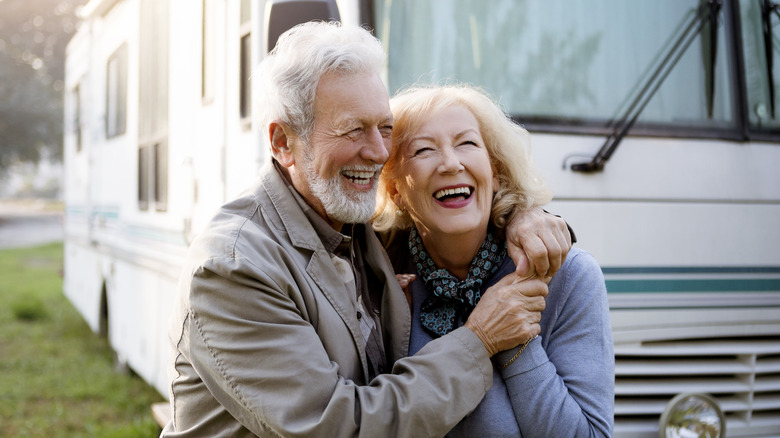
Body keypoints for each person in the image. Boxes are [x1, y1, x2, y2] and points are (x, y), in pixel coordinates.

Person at [161, 22, 572, 437]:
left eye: (385, 128)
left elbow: (454, 206)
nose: (379, 152)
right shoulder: (234, 268)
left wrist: (524, 215)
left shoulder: (354, 226)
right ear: (284, 141)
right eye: (353, 129)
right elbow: (339, 428)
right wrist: (479, 340)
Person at [373, 84, 614, 437]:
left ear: (495, 172)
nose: (451, 163)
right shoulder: (376, 275)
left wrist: (517, 339)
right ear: (395, 190)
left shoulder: (569, 275)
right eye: (424, 150)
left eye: (467, 143)